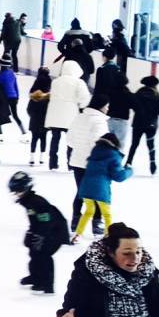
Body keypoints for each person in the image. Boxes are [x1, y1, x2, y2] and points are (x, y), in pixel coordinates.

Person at [9, 171, 68, 295]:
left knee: (44, 255)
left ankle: (47, 284)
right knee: (34, 252)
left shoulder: (37, 202)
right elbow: (35, 221)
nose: (16, 194)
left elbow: (47, 221)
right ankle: (36, 277)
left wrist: (40, 236)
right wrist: (31, 233)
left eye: (18, 191)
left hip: (56, 231)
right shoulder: (28, 201)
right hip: (45, 229)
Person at [74, 132, 132, 243]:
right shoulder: (114, 155)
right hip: (100, 189)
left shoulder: (95, 151)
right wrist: (129, 170)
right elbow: (119, 176)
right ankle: (108, 236)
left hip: (86, 186)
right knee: (106, 214)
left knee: (89, 211)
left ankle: (78, 234)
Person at [68, 94, 111, 234]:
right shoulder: (99, 122)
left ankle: (75, 220)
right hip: (93, 163)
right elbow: (99, 143)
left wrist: (79, 148)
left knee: (81, 191)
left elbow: (70, 139)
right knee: (98, 193)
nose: (108, 108)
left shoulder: (79, 117)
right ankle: (96, 222)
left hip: (76, 160)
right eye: (107, 105)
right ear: (101, 106)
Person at [128, 75, 159, 174]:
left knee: (134, 144)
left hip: (138, 123)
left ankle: (128, 162)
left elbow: (133, 105)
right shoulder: (157, 96)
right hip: (151, 125)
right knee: (151, 145)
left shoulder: (138, 93)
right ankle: (152, 163)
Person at [0, 56, 24, 135]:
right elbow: (16, 86)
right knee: (15, 115)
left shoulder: (0, 76)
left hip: (5, 98)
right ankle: (23, 131)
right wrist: (17, 96)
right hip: (14, 96)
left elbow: (0, 89)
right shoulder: (12, 73)